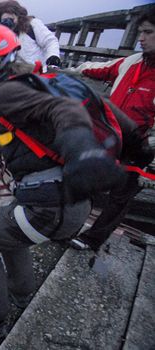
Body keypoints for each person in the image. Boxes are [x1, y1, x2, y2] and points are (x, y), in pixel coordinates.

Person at [0, 24, 147, 338]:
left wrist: (80, 150)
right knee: (5, 230)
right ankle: (21, 295)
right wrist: (139, 150)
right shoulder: (49, 80)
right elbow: (108, 110)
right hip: (73, 205)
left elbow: (63, 109)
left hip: (48, 208)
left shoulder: (4, 90)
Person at [69, 9, 155, 251]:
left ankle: (91, 241)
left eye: (148, 32)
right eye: (140, 32)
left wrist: (149, 158)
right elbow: (99, 69)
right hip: (108, 138)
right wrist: (64, 70)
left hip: (139, 149)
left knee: (119, 199)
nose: (141, 38)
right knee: (86, 183)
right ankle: (70, 227)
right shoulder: (132, 62)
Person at [0, 1, 61, 67]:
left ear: (18, 16)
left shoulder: (32, 25)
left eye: (10, 19)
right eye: (4, 20)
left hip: (37, 72)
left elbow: (50, 41)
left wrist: (53, 56)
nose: (8, 22)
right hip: (17, 74)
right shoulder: (2, 36)